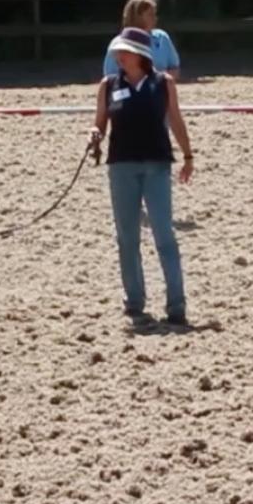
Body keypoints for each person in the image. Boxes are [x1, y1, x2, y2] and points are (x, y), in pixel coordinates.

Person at [89, 26, 195, 325]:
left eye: (125, 52)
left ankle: (176, 304)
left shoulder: (163, 83)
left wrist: (188, 155)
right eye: (119, 51)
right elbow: (100, 123)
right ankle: (134, 300)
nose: (119, 56)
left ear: (140, 55)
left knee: (164, 235)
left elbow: (176, 120)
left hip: (156, 164)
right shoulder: (108, 85)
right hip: (121, 165)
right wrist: (94, 134)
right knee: (127, 237)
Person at [103, 0, 181, 79]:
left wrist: (156, 81)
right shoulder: (118, 44)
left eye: (155, 14)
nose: (155, 18)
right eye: (150, 14)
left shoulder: (162, 38)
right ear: (137, 17)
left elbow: (174, 68)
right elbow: (110, 77)